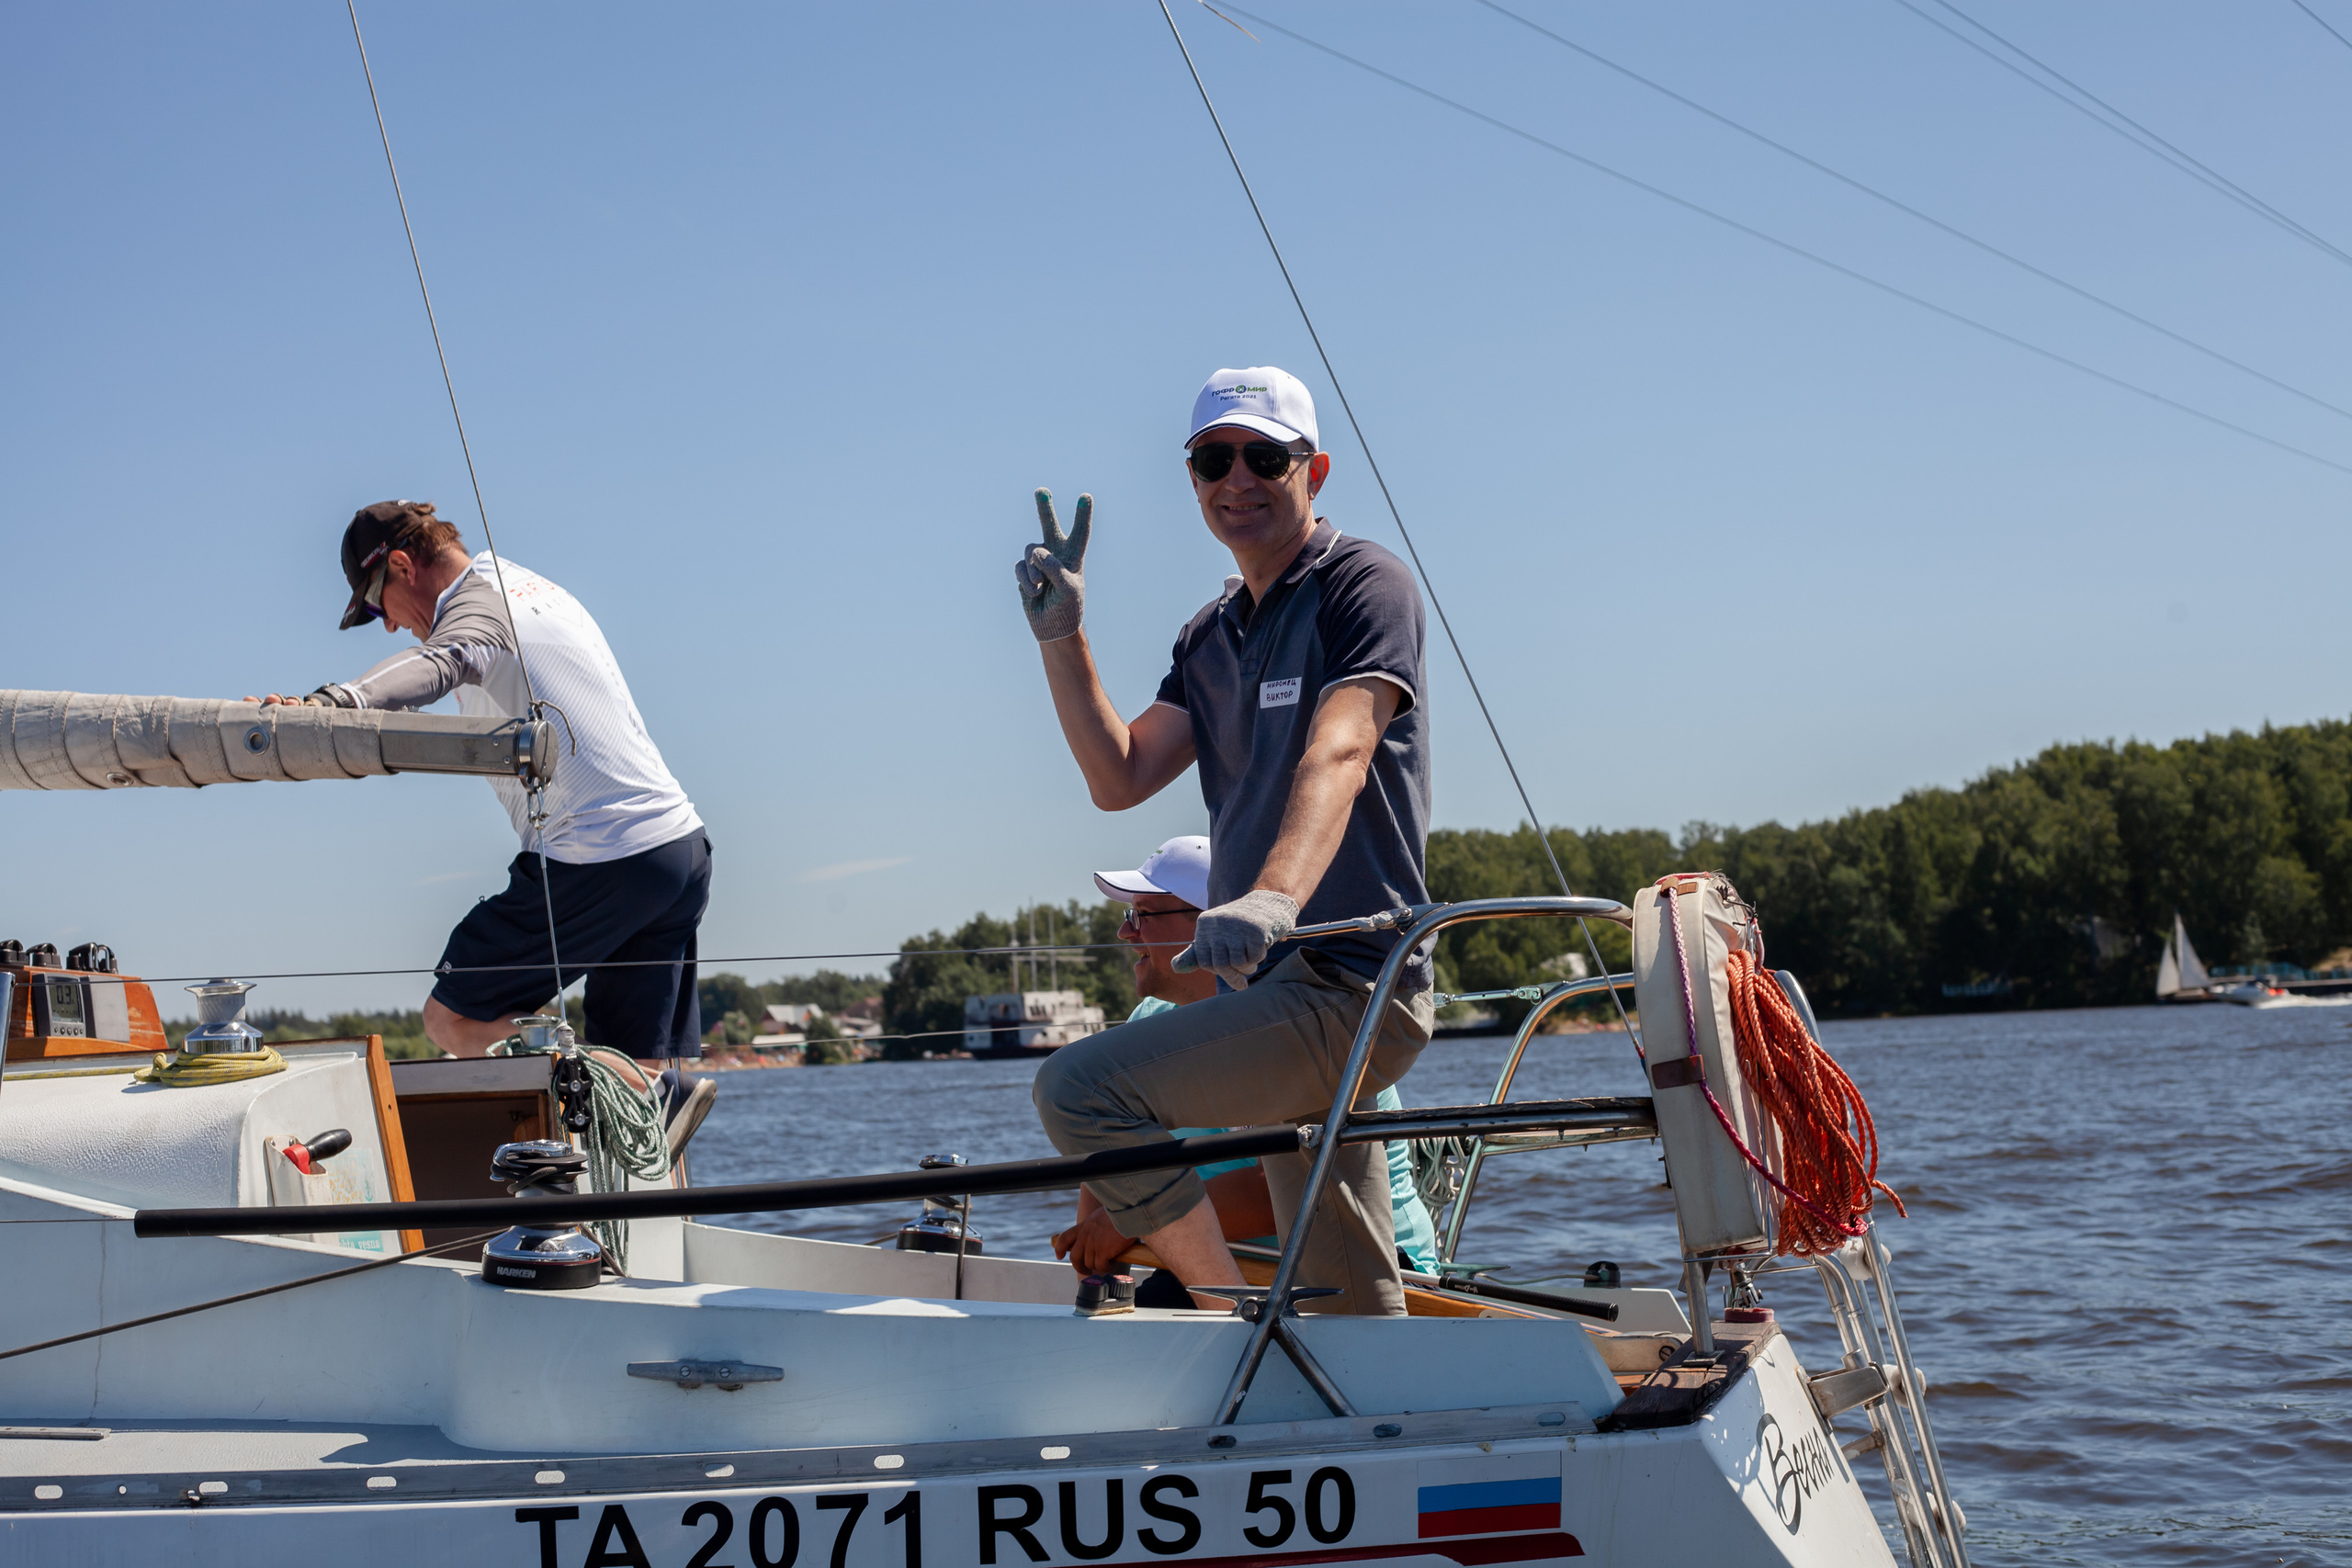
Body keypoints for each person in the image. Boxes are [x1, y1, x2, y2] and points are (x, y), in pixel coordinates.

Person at [1018, 367, 1435, 1315]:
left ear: (1313, 470)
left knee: (1079, 1090)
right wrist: (1061, 637)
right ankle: (1372, 1404)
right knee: (1350, 1304)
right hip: (1274, 995)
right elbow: (1118, 775)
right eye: (1212, 459)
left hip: (1349, 986)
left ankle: (1227, 1320)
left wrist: (1270, 898)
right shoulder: (1208, 634)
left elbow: (1344, 744)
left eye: (1263, 457)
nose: (1234, 479)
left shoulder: (1362, 585)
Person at [249, 501, 710, 1080]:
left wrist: (332, 704)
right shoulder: (530, 586)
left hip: (600, 855)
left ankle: (621, 1087)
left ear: (401, 565)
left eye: (374, 605)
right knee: (640, 1057)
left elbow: (444, 660)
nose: (387, 623)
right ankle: (650, 1098)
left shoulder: (475, 606)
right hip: (679, 849)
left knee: (452, 1017)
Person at [1051, 836, 1440, 1300]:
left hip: (1376, 1264)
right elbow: (1105, 1156)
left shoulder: (1296, 1025)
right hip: (1233, 1258)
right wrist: (1097, 1264)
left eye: (1142, 915)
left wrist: (1122, 1223)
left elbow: (1272, 1188)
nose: (1125, 933)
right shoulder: (1147, 1021)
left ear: (1209, 922)